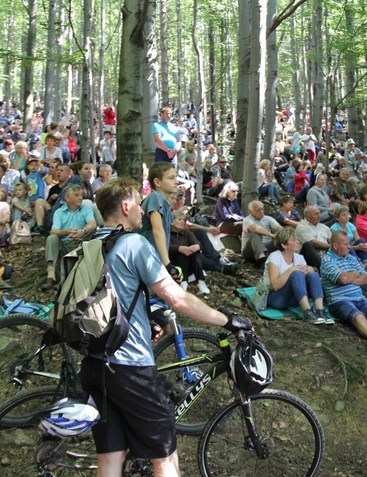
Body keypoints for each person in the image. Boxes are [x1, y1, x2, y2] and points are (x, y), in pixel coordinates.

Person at [80, 177, 252, 476]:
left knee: (111, 458)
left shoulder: (92, 243)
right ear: (125, 206)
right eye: (138, 203)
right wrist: (227, 320)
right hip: (130, 366)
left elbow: (111, 295)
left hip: (95, 363)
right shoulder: (133, 243)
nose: (143, 211)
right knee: (166, 460)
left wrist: (147, 318)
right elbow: (178, 298)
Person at [254, 227, 328, 324]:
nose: (298, 242)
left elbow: (305, 280)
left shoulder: (299, 257)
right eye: (294, 240)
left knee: (313, 274)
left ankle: (320, 311)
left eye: (297, 239)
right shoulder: (275, 257)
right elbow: (275, 286)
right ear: (284, 245)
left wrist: (310, 270)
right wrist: (291, 270)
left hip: (294, 298)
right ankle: (307, 312)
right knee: (296, 273)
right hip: (276, 298)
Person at [41, 184, 97, 291]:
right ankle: (51, 276)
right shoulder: (59, 212)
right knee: (52, 238)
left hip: (82, 243)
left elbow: (92, 223)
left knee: (93, 235)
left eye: (81, 195)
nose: (80, 198)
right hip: (65, 245)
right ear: (67, 198)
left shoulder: (86, 209)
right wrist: (67, 232)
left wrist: (82, 231)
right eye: (76, 195)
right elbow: (54, 231)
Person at [169, 210, 210, 294]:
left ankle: (201, 281)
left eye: (183, 220)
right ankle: (183, 282)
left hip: (191, 265)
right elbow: (166, 247)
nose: (182, 222)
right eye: (179, 219)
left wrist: (196, 246)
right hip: (175, 266)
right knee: (181, 253)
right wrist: (179, 248)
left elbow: (198, 243)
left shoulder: (187, 233)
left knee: (195, 253)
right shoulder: (167, 234)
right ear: (172, 221)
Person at [241, 200, 281, 266]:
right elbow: (254, 228)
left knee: (281, 238)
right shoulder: (247, 220)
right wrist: (271, 235)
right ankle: (262, 261)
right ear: (251, 211)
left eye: (262, 209)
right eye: (258, 210)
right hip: (250, 251)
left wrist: (280, 234)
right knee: (255, 234)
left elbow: (279, 228)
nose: (261, 212)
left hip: (267, 247)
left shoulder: (268, 218)